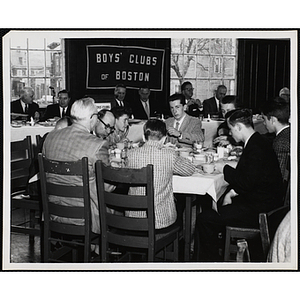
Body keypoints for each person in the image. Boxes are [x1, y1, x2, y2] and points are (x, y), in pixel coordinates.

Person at [193, 108, 283, 262]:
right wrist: (231, 192)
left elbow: (246, 181)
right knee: (216, 204)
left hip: (261, 210)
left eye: (231, 129)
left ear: (239, 127)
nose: (230, 134)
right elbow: (251, 178)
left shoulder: (255, 148)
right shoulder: (257, 141)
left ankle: (209, 263)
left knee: (204, 219)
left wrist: (223, 168)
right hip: (263, 201)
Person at [42, 97, 115, 235]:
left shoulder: (50, 138)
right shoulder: (97, 144)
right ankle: (101, 249)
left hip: (54, 212)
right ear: (92, 117)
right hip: (86, 218)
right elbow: (107, 186)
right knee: (119, 209)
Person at [126, 119, 195, 229]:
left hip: (134, 219)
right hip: (161, 221)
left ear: (144, 137)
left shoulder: (130, 155)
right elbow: (189, 169)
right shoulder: (169, 155)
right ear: (164, 139)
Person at [261, 99, 290, 181]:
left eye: (264, 119)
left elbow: (278, 176)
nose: (263, 123)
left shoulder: (280, 142)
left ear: (273, 120)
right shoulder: (289, 132)